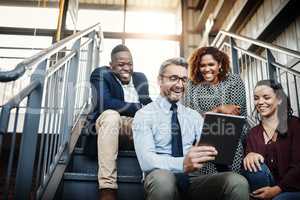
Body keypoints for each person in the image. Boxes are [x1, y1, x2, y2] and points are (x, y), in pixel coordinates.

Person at [133, 57, 249, 200]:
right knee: (163, 180)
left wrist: (219, 145)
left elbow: (210, 148)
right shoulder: (144, 115)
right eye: (173, 78)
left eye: (183, 80)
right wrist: (183, 164)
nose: (179, 85)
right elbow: (147, 161)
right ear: (159, 80)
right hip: (160, 177)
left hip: (192, 181)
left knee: (237, 181)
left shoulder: (193, 116)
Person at [89, 44, 152, 200]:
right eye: (121, 64)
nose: (126, 68)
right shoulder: (101, 74)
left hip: (135, 125)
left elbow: (148, 102)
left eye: (129, 64)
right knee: (111, 115)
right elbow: (105, 103)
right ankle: (107, 189)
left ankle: (156, 183)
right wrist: (138, 107)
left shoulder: (140, 77)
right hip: (109, 124)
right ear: (111, 66)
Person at [183, 46, 247, 173]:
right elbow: (191, 117)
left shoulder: (234, 80)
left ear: (220, 64)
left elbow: (235, 113)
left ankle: (232, 179)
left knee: (231, 139)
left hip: (232, 131)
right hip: (202, 133)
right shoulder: (192, 85)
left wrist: (207, 115)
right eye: (202, 65)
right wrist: (219, 110)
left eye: (211, 64)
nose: (207, 69)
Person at [243, 80, 300, 200]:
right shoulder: (253, 133)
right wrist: (249, 155)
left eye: (266, 97)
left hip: (293, 188)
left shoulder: (295, 125)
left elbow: (298, 166)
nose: (260, 102)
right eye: (256, 98)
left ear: (279, 99)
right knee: (253, 166)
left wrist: (277, 190)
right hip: (265, 187)